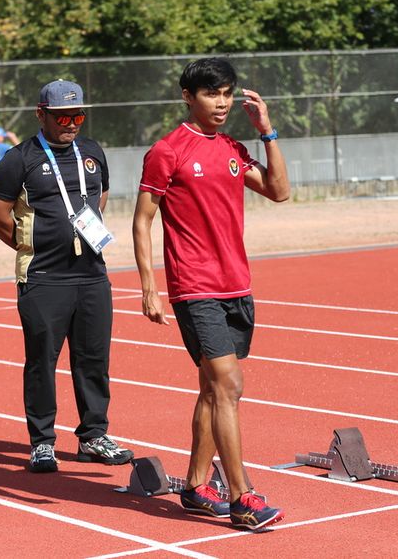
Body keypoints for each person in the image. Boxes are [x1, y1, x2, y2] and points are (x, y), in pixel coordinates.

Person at [132, 58, 290, 531]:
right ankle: (243, 496)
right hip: (194, 286)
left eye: (226, 93)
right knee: (229, 385)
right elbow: (143, 220)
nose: (220, 102)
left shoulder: (233, 148)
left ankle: (197, 486)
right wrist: (149, 286)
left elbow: (279, 191)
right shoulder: (167, 151)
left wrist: (268, 131)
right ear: (188, 96)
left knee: (210, 388)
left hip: (236, 284)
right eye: (210, 94)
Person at [0, 79, 133, 473]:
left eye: (78, 115)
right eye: (62, 116)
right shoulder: (20, 159)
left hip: (91, 275)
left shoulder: (92, 151)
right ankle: (42, 441)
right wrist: (30, 244)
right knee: (41, 362)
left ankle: (93, 436)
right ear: (41, 114)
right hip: (43, 277)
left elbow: (99, 198)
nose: (71, 123)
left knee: (93, 359)